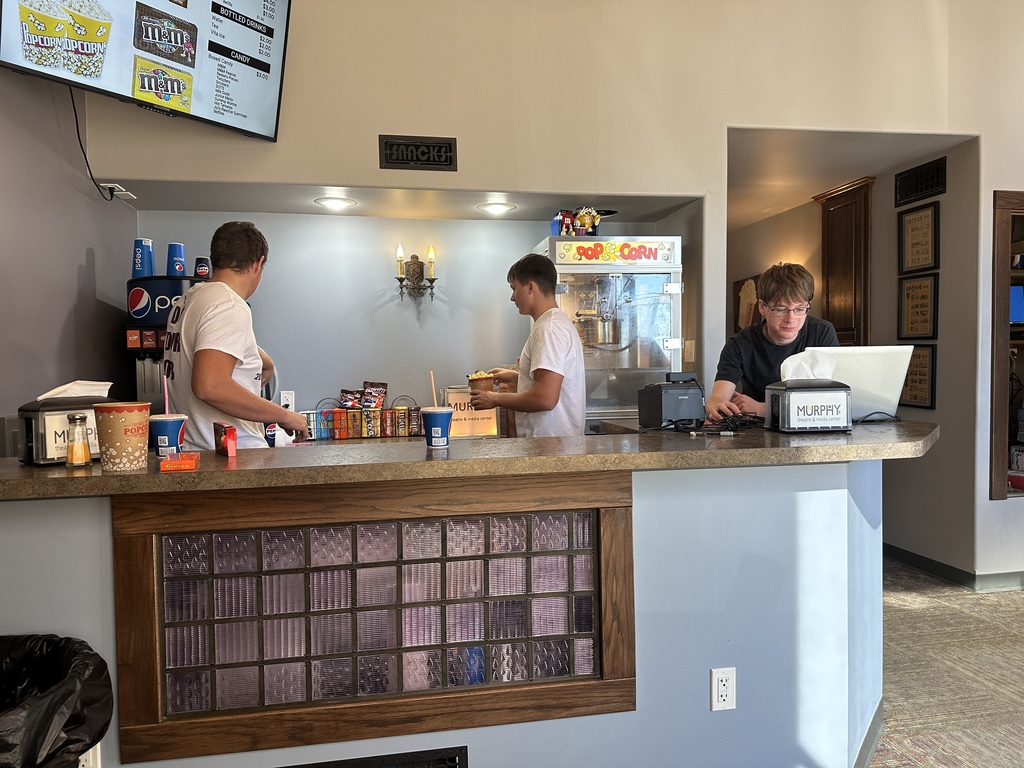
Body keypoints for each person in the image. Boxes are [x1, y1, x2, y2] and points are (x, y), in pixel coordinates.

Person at [162, 221, 309, 450]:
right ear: (258, 264)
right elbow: (209, 386)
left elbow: (204, 345)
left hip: (195, 450)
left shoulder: (189, 300)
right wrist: (284, 415)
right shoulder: (229, 305)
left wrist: (263, 361)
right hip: (231, 454)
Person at [469, 253, 586, 437]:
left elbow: (545, 398)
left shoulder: (548, 329)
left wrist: (494, 398)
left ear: (530, 287)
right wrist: (518, 377)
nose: (512, 298)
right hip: (555, 446)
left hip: (549, 448)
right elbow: (553, 382)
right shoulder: (554, 322)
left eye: (514, 288)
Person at [705, 262, 839, 422]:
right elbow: (718, 396)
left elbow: (833, 400)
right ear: (762, 307)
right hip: (757, 432)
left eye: (800, 309)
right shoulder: (739, 344)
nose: (791, 319)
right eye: (781, 310)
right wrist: (715, 407)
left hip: (812, 425)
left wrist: (763, 408)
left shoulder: (822, 333)